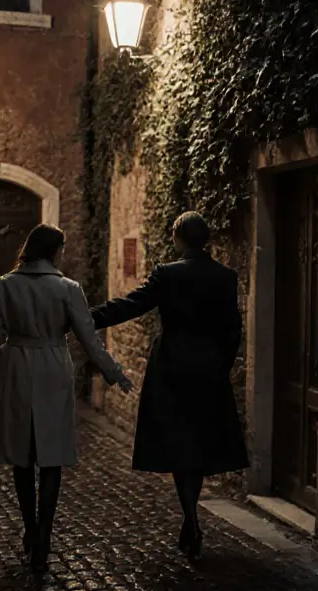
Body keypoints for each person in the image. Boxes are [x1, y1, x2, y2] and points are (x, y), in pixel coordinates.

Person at [0, 223, 134, 574]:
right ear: (54, 250)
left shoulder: (5, 285)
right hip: (53, 368)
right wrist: (114, 372)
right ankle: (44, 534)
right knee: (51, 457)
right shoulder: (68, 288)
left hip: (15, 368)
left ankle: (29, 528)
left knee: (22, 458)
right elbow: (90, 338)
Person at [90, 211, 249, 559]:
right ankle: (191, 514)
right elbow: (232, 328)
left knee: (180, 443)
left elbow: (132, 305)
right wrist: (221, 364)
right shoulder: (225, 277)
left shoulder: (168, 274)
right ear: (205, 239)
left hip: (173, 368)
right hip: (209, 370)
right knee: (199, 441)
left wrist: (85, 315)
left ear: (177, 236)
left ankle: (190, 515)